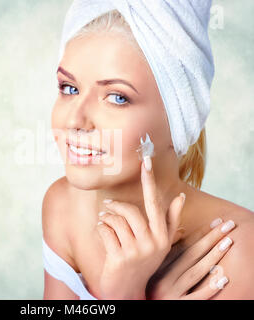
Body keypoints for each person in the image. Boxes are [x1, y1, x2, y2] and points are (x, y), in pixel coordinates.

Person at [42, 2, 254, 300]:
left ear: (179, 118)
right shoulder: (64, 207)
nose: (75, 121)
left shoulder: (239, 253)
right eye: (69, 88)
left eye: (117, 97)